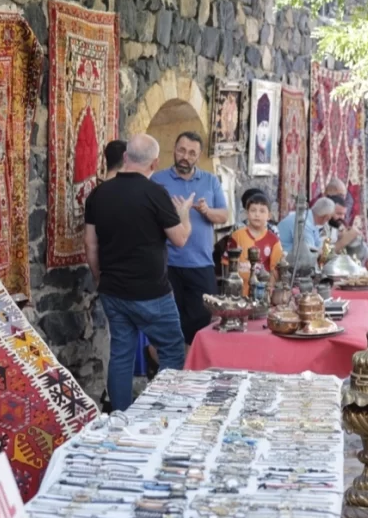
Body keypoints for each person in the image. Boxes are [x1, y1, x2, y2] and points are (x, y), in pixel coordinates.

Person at [84, 134, 194, 412]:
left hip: (113, 289)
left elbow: (90, 244)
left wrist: (98, 278)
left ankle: (119, 415)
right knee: (172, 350)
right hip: (151, 292)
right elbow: (180, 239)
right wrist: (184, 213)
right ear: (154, 163)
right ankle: (164, 413)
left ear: (125, 157)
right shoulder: (155, 193)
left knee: (121, 354)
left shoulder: (98, 194)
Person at [150, 132, 229, 345]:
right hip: (167, 264)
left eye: (192, 153)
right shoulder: (157, 180)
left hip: (201, 263)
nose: (186, 156)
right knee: (168, 323)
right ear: (174, 150)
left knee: (202, 323)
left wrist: (206, 210)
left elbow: (223, 215)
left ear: (199, 156)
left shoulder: (210, 180)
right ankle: (169, 364)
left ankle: (195, 363)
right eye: (182, 150)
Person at [223, 193, 283, 296]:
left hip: (262, 294)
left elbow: (275, 270)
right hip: (238, 293)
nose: (257, 214)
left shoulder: (274, 240)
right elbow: (226, 263)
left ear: (269, 216)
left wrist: (269, 290)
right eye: (253, 210)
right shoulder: (237, 236)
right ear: (247, 213)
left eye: (262, 211)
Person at [277, 196, 335, 262]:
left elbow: (318, 244)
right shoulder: (304, 222)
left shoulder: (309, 219)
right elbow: (310, 253)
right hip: (283, 259)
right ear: (326, 217)